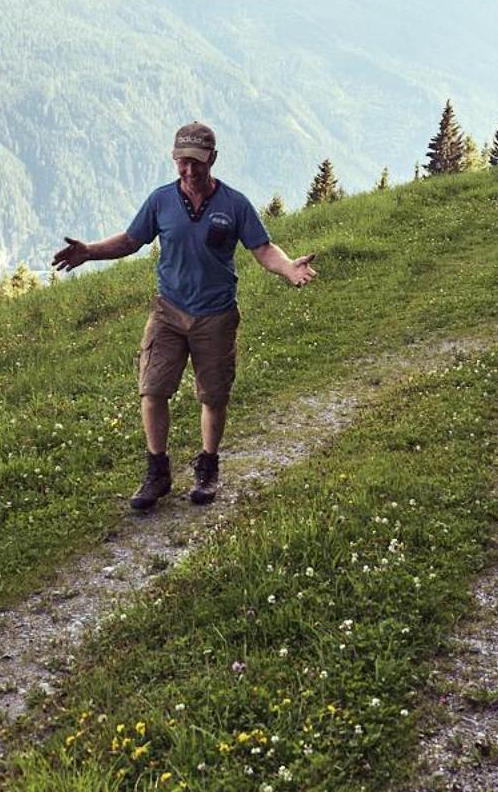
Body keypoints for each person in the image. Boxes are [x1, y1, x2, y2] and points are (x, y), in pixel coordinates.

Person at [52, 122, 317, 509]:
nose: (189, 170)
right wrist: (89, 251)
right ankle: (157, 473)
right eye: (182, 161)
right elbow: (130, 240)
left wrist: (289, 267)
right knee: (153, 390)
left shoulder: (234, 204)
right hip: (169, 312)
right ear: (174, 160)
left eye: (196, 162)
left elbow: (262, 249)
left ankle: (208, 469)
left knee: (213, 396)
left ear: (212, 158)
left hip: (216, 315)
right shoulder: (160, 201)